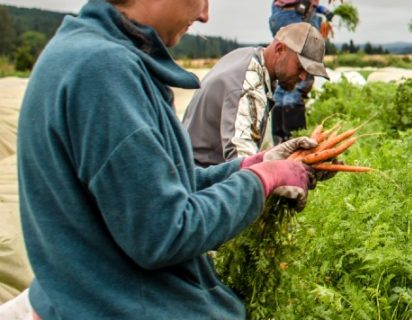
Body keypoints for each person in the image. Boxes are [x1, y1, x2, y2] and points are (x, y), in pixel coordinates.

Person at [17, 0, 325, 318]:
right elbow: (166, 232)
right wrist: (263, 179)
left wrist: (250, 165)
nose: (205, 15)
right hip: (122, 305)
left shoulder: (92, 53)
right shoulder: (103, 71)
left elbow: (168, 184)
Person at [182, 22, 330, 167]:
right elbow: (242, 161)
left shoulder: (248, 56)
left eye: (309, 72)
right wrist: (283, 177)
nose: (304, 77)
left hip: (195, 166)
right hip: (198, 178)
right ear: (280, 49)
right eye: (300, 67)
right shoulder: (249, 84)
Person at [268, 0, 335, 144]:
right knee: (300, 78)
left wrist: (321, 9)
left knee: (284, 79)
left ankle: (280, 142)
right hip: (297, 12)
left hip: (282, 12)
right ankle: (296, 143)